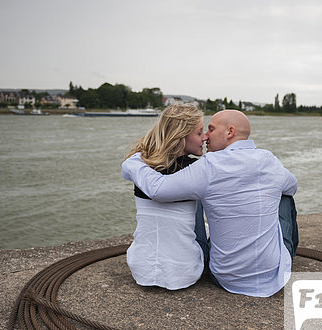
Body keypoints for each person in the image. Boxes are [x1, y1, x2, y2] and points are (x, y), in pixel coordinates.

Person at [122, 109, 298, 297]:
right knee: (284, 195)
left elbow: (158, 189)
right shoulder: (269, 161)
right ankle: (283, 253)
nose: (206, 137)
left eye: (211, 130)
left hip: (224, 276)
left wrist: (134, 163)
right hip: (273, 273)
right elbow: (292, 187)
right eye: (201, 132)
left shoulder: (208, 166)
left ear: (229, 132)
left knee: (199, 191)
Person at [124, 102, 208, 290]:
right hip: (186, 272)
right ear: (180, 136)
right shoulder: (195, 169)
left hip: (140, 269)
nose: (205, 137)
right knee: (202, 198)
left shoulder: (142, 165)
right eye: (199, 133)